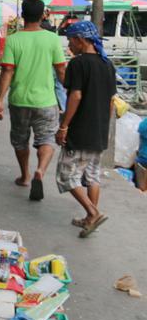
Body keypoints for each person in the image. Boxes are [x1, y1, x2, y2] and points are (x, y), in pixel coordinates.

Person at [0, 0, 66, 201]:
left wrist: (0, 99)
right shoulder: (52, 39)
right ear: (43, 15)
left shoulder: (14, 39)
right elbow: (61, 70)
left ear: (22, 15)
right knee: (47, 139)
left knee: (20, 140)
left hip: (19, 101)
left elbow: (7, 71)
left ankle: (25, 176)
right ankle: (40, 171)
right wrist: (71, 92)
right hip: (46, 101)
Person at [56, 21, 115, 238]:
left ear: (81, 40)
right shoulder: (107, 64)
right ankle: (90, 219)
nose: (70, 45)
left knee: (66, 176)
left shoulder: (78, 64)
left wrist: (64, 126)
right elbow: (111, 101)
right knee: (92, 175)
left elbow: (76, 96)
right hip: (99, 130)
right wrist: (104, 128)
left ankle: (93, 212)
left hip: (80, 131)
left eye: (71, 40)